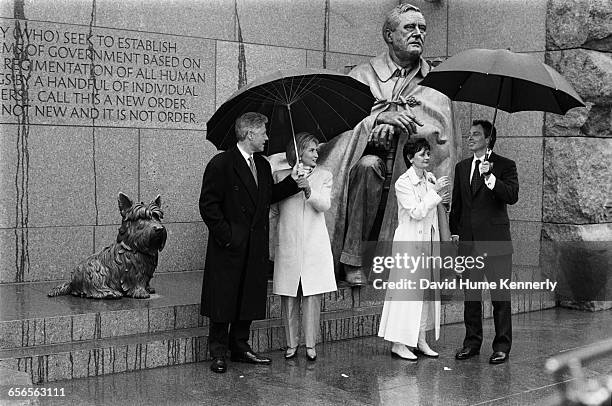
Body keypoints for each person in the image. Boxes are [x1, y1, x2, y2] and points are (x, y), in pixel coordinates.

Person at [315, 3, 459, 285]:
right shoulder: (362, 76)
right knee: (368, 168)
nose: (418, 33)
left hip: (414, 167)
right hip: (371, 162)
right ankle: (352, 259)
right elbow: (340, 130)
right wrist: (377, 122)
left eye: (422, 28)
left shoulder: (435, 84)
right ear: (389, 35)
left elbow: (444, 142)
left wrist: (409, 131)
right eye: (409, 27)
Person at [199, 112, 307, 374]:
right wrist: (228, 236)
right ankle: (219, 352)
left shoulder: (262, 164)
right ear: (249, 134)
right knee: (224, 299)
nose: (267, 138)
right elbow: (208, 205)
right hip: (230, 247)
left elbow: (268, 196)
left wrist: (295, 181)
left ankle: (240, 347)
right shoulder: (221, 163)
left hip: (254, 246)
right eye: (263, 133)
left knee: (246, 296)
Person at [450, 120, 519, 365]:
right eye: (469, 134)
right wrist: (455, 234)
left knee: (500, 297)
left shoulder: (505, 165)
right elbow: (456, 206)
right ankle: (472, 343)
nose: (470, 138)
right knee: (471, 297)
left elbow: (512, 196)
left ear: (488, 139)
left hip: (497, 243)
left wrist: (490, 176)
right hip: (469, 244)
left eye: (476, 134)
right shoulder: (461, 167)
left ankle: (502, 346)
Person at [378, 138, 449, 360]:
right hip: (409, 245)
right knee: (406, 295)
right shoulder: (402, 183)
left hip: (428, 244)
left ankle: (420, 339)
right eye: (421, 154)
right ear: (410, 158)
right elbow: (416, 212)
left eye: (428, 153)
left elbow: (432, 213)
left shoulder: (430, 179)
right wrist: (435, 193)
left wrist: (438, 195)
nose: (427, 157)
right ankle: (399, 343)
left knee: (425, 295)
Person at [271, 133, 337, 361]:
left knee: (311, 296)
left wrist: (308, 189)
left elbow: (324, 205)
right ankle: (291, 344)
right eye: (311, 150)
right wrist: (291, 180)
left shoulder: (324, 175)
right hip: (288, 242)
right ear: (298, 152)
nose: (316, 154)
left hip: (314, 245)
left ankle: (310, 344)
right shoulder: (279, 176)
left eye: (316, 150)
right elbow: (274, 209)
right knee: (289, 296)